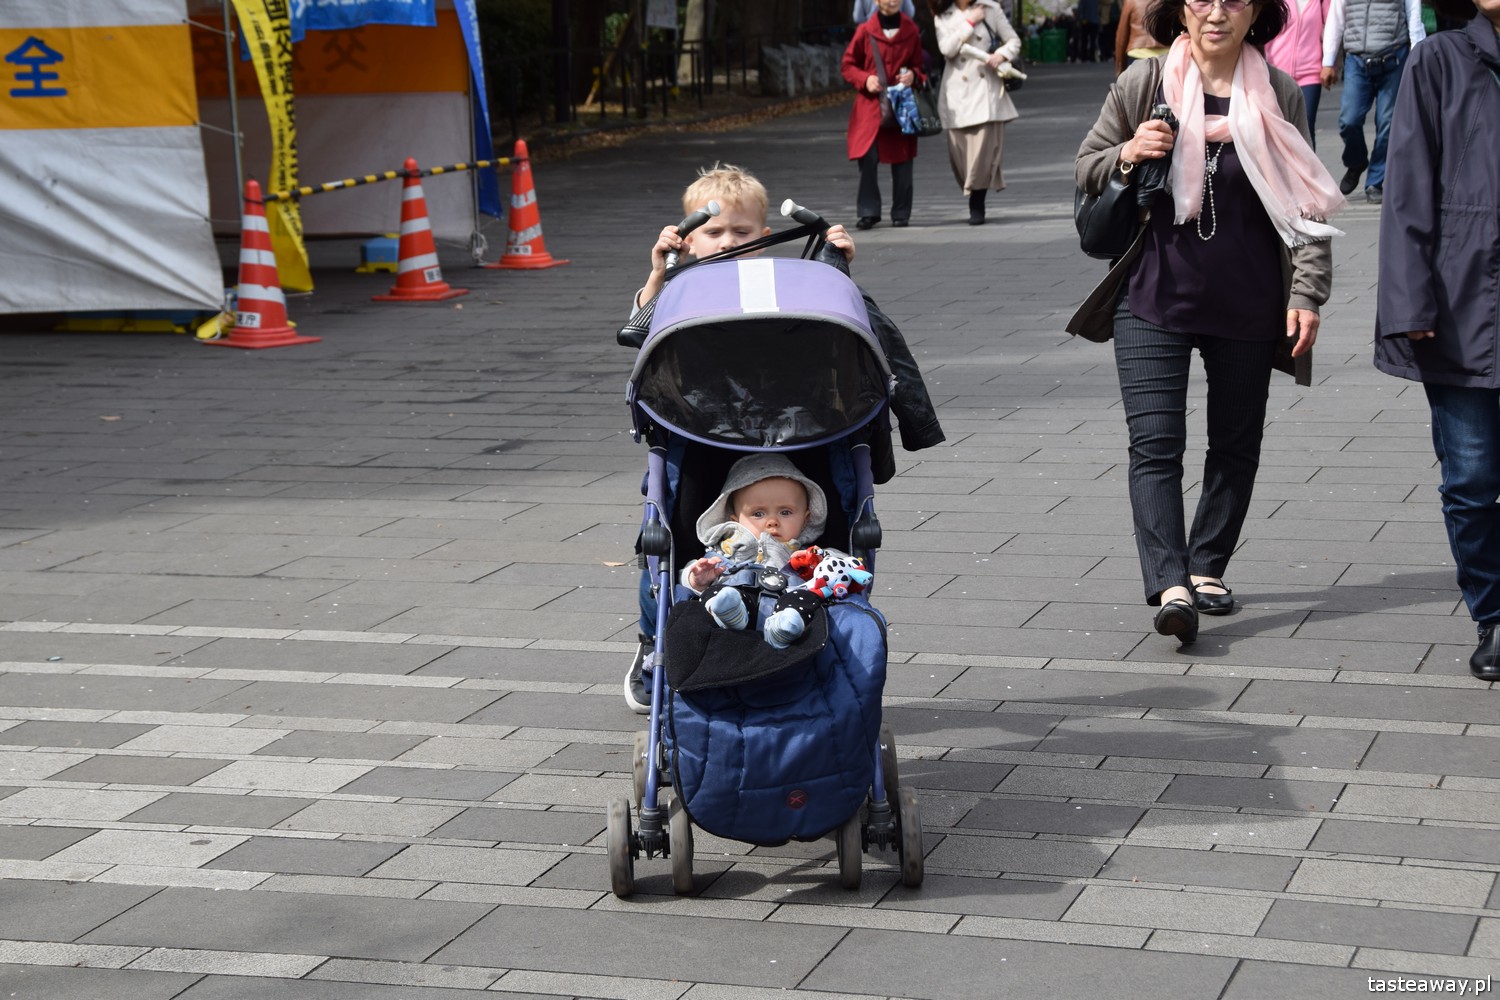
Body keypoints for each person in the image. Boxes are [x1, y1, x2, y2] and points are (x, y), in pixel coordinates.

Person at [623, 163, 946, 710]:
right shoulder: (680, 290)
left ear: (766, 236)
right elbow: (638, 334)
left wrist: (837, 272)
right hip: (702, 435)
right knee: (661, 536)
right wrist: (659, 274)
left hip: (800, 430)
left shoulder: (789, 289)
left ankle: (816, 622)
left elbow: (852, 335)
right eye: (714, 232)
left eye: (743, 232)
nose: (729, 241)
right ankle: (655, 639)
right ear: (689, 238)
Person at [1070, 0, 1343, 645]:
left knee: (1235, 441)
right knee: (1155, 444)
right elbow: (1086, 165)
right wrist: (1130, 151)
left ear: (1257, 15)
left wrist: (1308, 293)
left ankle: (1208, 564)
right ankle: (1170, 583)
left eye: (1233, 1)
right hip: (1152, 294)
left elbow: (1307, 196)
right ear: (1180, 12)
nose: (1216, 13)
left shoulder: (1277, 91)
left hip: (1249, 298)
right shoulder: (1143, 84)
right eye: (1201, 0)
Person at [1374, 0, 1500, 681]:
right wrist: (1408, 300)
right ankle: (1494, 612)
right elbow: (1407, 188)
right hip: (1461, 304)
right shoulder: (1439, 60)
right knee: (1474, 477)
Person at [681, 455, 828, 649]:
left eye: (786, 512)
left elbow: (839, 568)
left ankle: (781, 631)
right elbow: (688, 577)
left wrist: (824, 563)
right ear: (735, 520)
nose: (772, 521)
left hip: (784, 607)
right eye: (758, 514)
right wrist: (696, 579)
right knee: (718, 593)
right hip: (736, 608)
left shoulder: (805, 554)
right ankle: (731, 613)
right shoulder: (726, 550)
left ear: (805, 518)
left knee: (807, 599)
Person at [1318, 0, 1426, 204]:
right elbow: (1336, 19)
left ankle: (1375, 182)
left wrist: (1417, 56)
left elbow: (1414, 14)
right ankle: (1356, 162)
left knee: (1387, 124)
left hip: (1394, 57)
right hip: (1357, 61)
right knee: (1348, 120)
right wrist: (1328, 61)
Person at [932, 0, 1022, 225]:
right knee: (959, 156)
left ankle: (977, 202)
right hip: (956, 91)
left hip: (985, 89)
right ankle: (972, 191)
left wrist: (1001, 55)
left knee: (982, 153)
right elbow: (947, 49)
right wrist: (970, 22)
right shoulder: (943, 13)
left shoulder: (991, 8)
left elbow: (1013, 40)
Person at [842, 0, 927, 229]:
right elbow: (848, 65)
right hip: (870, 107)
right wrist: (865, 79)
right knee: (867, 156)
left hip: (901, 105)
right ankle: (868, 211)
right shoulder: (865, 30)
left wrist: (913, 76)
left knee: (903, 159)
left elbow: (920, 67)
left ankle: (901, 212)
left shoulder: (910, 31)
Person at [1264, 0, 1331, 142]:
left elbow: (1331, 27)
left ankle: (1307, 164)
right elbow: (1265, 32)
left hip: (1310, 73)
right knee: (1277, 128)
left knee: (1305, 126)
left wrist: (1329, 64)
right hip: (1276, 73)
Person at [1115, 0, 1171, 73]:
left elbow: (1121, 37)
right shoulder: (1169, 2)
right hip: (1166, 55)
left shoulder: (1131, 2)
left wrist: (1120, 67)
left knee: (1135, 84)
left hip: (1137, 55)